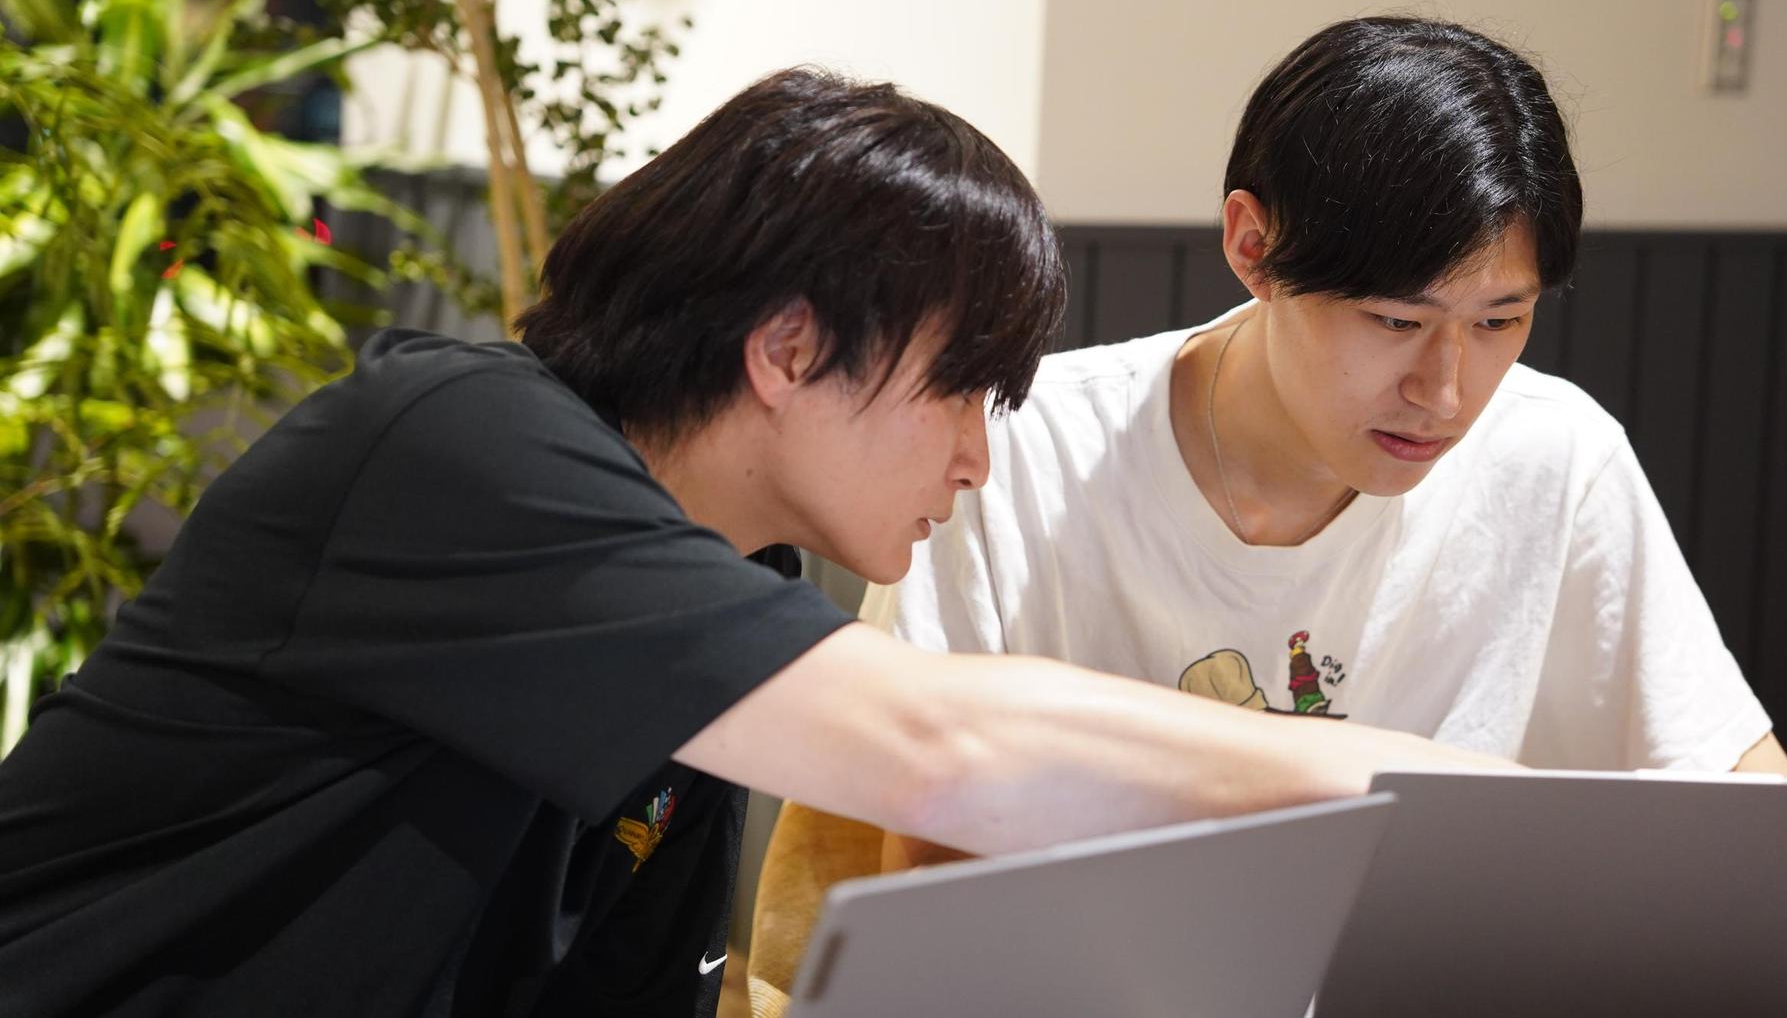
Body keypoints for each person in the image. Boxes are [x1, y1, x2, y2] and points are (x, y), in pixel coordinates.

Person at [0, 68, 1501, 1018]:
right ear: (787, 349)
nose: (978, 457)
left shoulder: (731, 611)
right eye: (959, 391)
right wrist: (1454, 800)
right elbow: (940, 744)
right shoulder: (457, 448)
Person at [749, 19, 1787, 1009]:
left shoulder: (1554, 455)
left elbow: (1746, 801)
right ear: (1251, 244)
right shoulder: (1019, 456)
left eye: (1499, 321)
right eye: (1394, 320)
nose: (1444, 391)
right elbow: (931, 885)